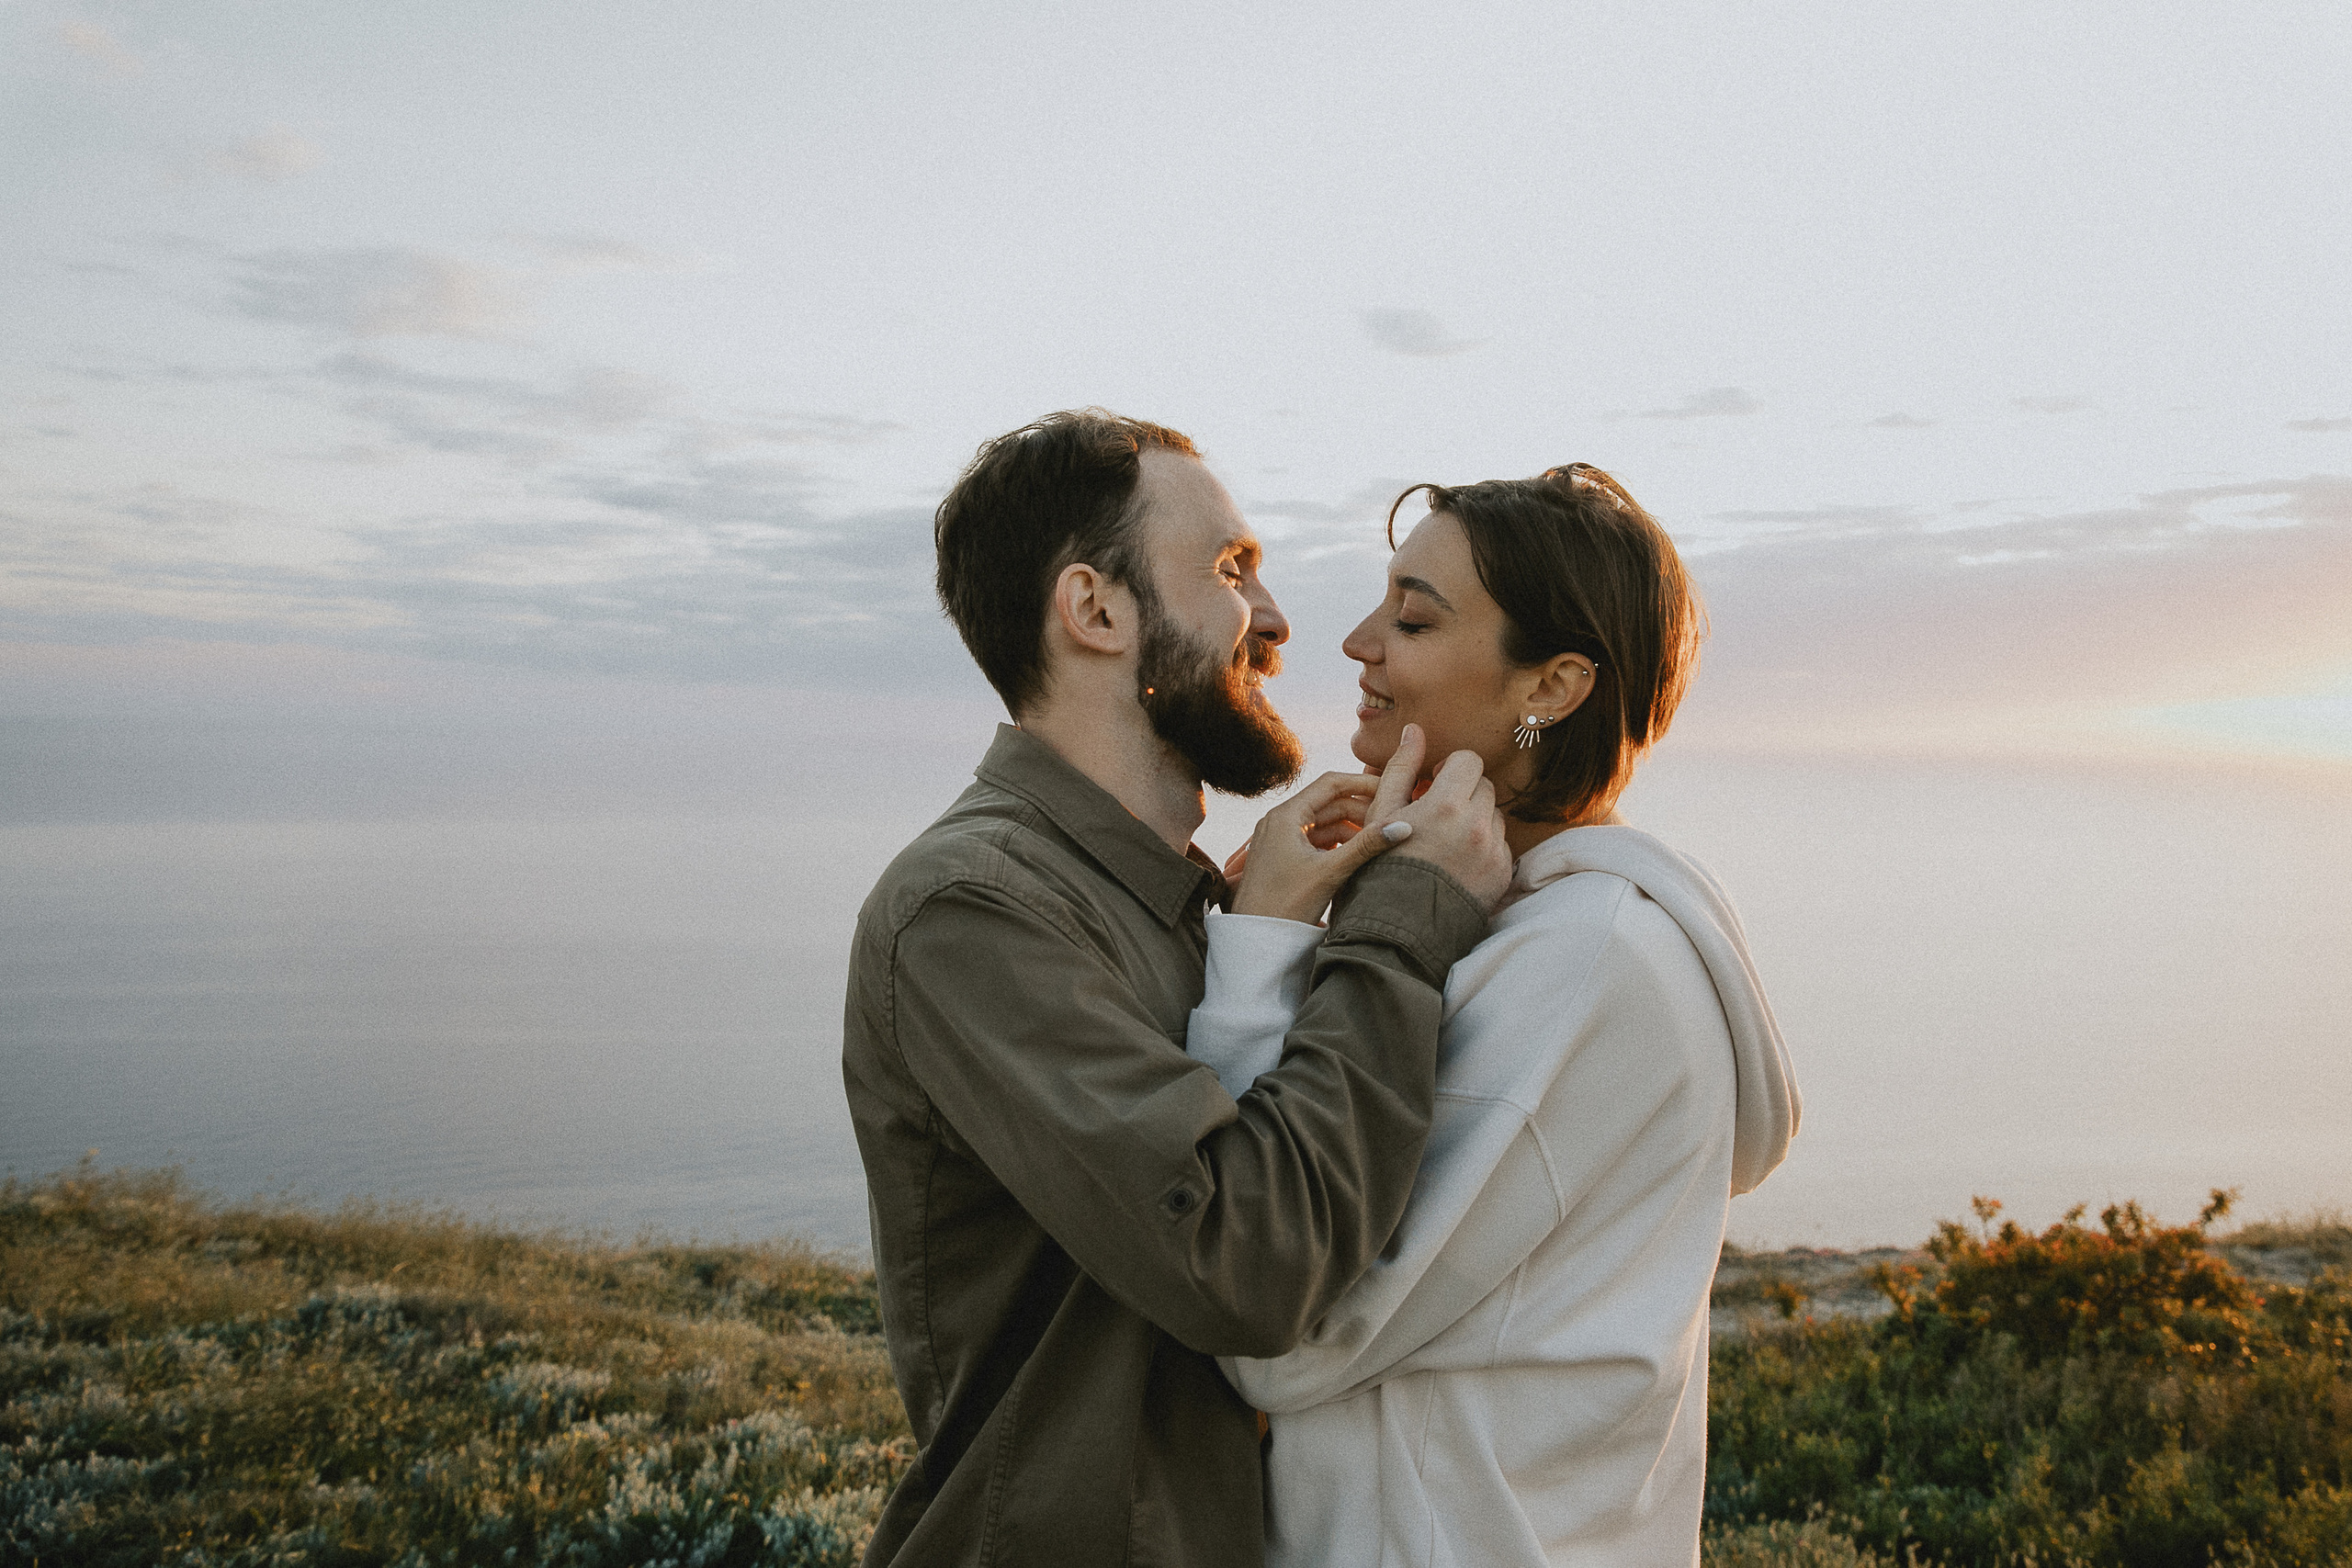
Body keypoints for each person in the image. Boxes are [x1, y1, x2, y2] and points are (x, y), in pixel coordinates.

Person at [841, 410, 1516, 1566]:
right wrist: (1401, 935)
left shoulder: (1192, 904)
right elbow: (1246, 1265)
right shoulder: (971, 911)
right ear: (1095, 611)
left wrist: (1280, 930)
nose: (1277, 621)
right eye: (1229, 570)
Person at [1186, 465, 1802, 1567]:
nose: (1358, 642)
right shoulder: (1535, 937)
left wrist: (1261, 946)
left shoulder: (1580, 967)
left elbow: (1277, 1330)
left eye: (1413, 617)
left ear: (1552, 687)